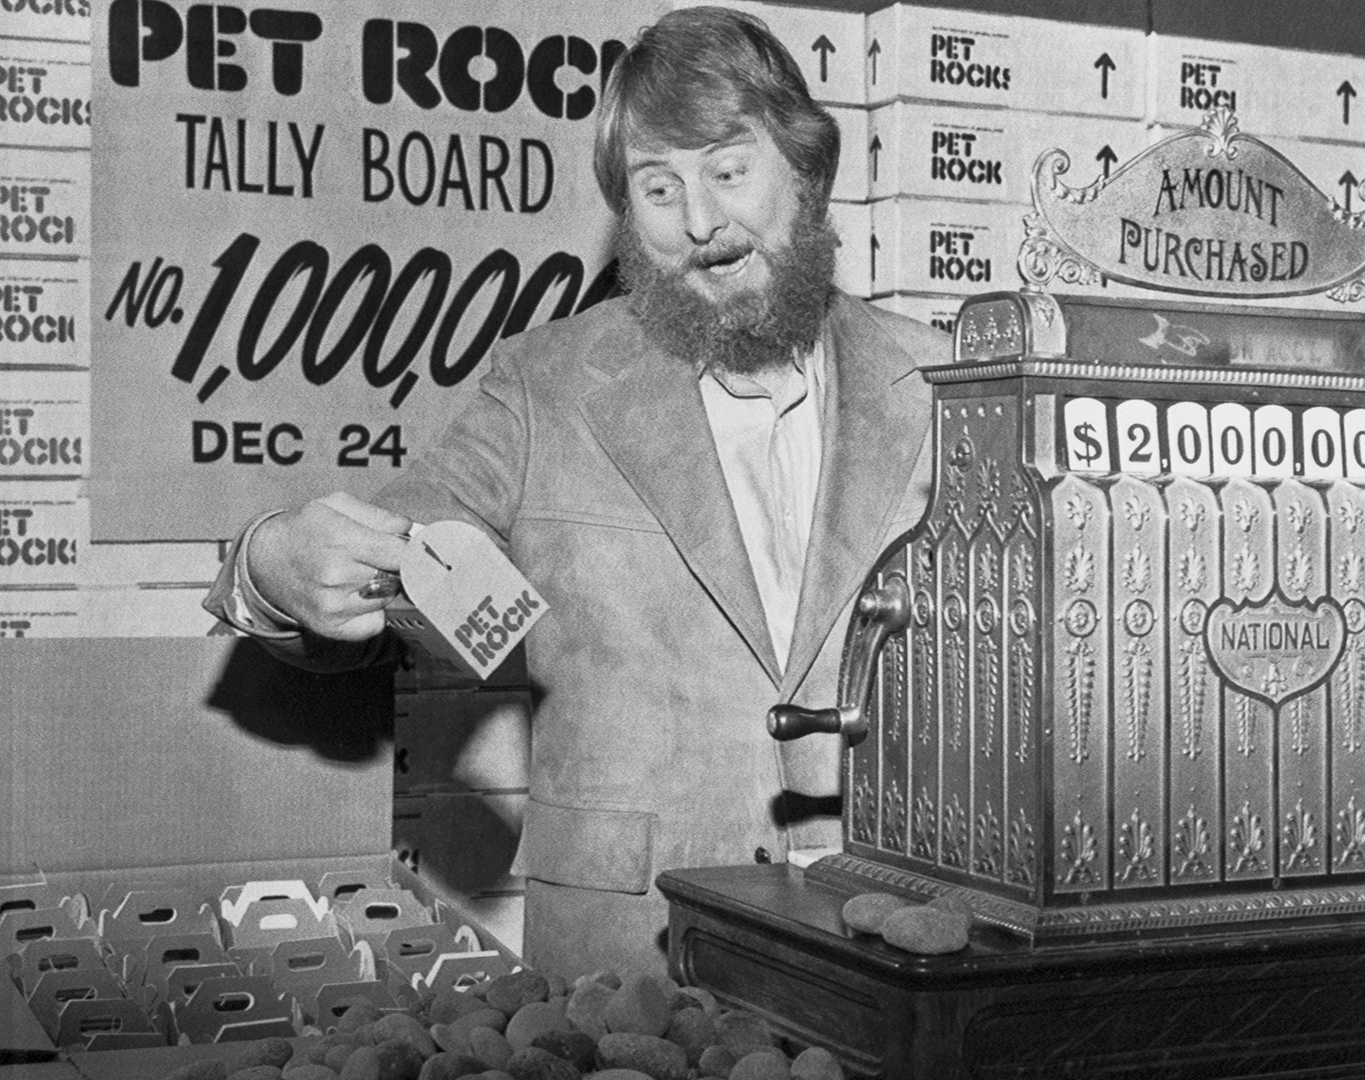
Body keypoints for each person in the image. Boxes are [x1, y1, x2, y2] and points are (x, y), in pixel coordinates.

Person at [205, 5, 946, 982]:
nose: (700, 220)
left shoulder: (948, 383)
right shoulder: (543, 388)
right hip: (628, 972)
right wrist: (274, 566)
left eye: (729, 167)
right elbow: (395, 579)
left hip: (898, 958)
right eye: (657, 185)